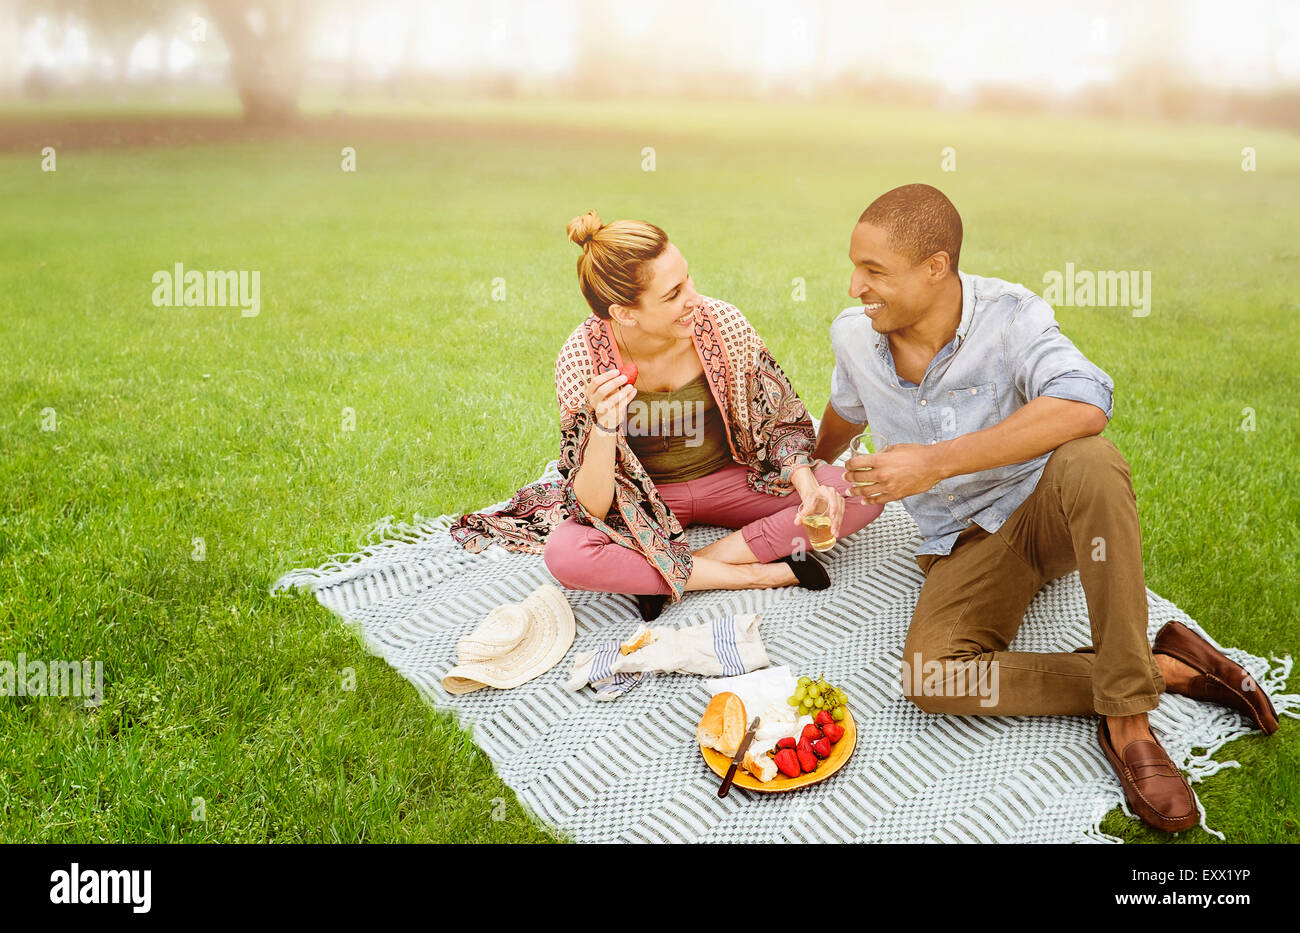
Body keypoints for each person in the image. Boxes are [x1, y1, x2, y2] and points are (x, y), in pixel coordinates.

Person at [813, 183, 1280, 833]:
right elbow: (845, 410)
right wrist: (810, 466)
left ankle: (1128, 726)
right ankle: (1165, 666)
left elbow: (1085, 401)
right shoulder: (855, 337)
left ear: (936, 267)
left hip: (1045, 508)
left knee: (1092, 457)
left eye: (873, 271)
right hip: (958, 543)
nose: (854, 286)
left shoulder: (1012, 316)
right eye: (855, 266)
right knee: (930, 678)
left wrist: (934, 459)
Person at [450, 210, 884, 620]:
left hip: (734, 479)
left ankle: (672, 570)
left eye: (687, 278)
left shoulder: (722, 324)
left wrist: (808, 489)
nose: (694, 298)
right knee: (566, 552)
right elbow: (592, 508)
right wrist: (602, 426)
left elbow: (780, 424)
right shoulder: (582, 360)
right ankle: (758, 572)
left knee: (862, 490)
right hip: (647, 498)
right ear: (624, 313)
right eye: (673, 294)